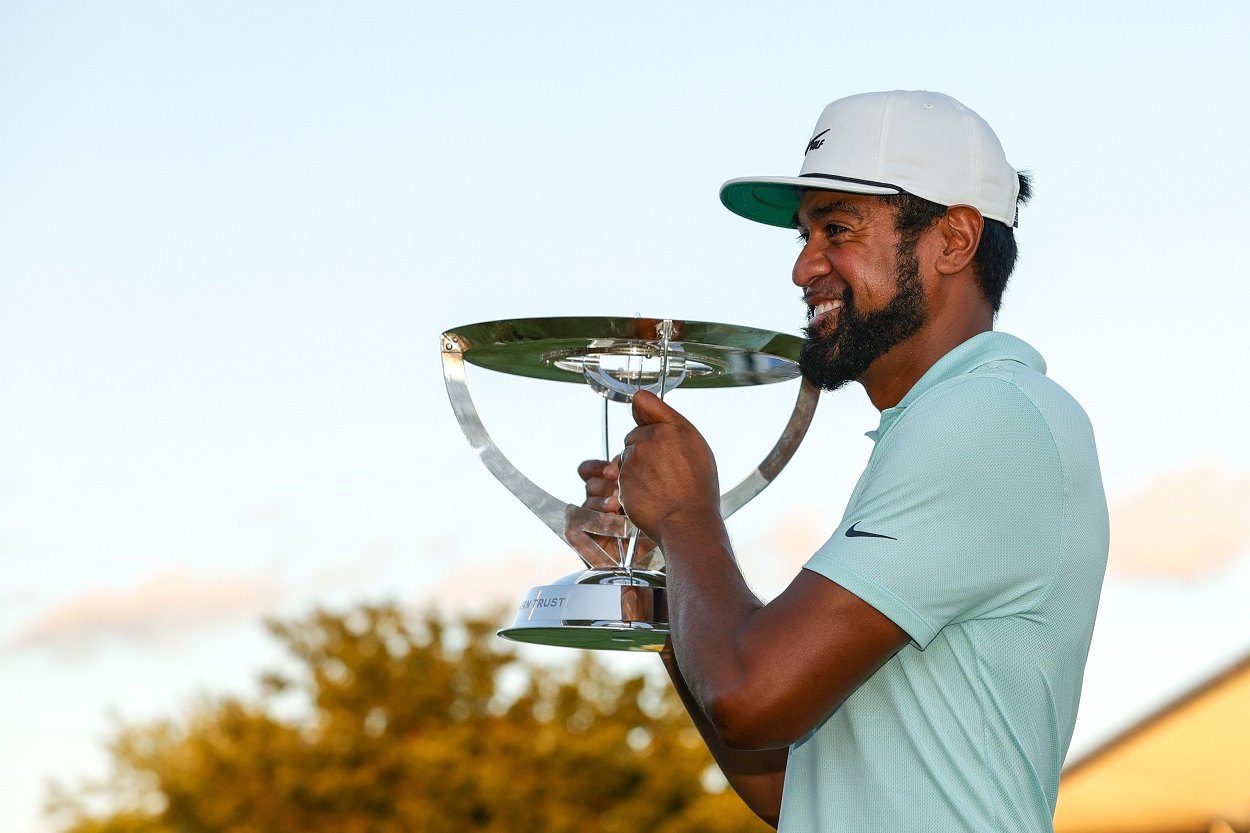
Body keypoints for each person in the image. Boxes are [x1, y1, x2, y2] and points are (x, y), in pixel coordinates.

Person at [579, 90, 1109, 832]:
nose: (803, 268)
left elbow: (749, 694)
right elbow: (788, 784)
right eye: (804, 235)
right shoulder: (951, 421)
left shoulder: (989, 417)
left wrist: (686, 513)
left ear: (954, 239)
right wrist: (665, 569)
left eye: (838, 228)